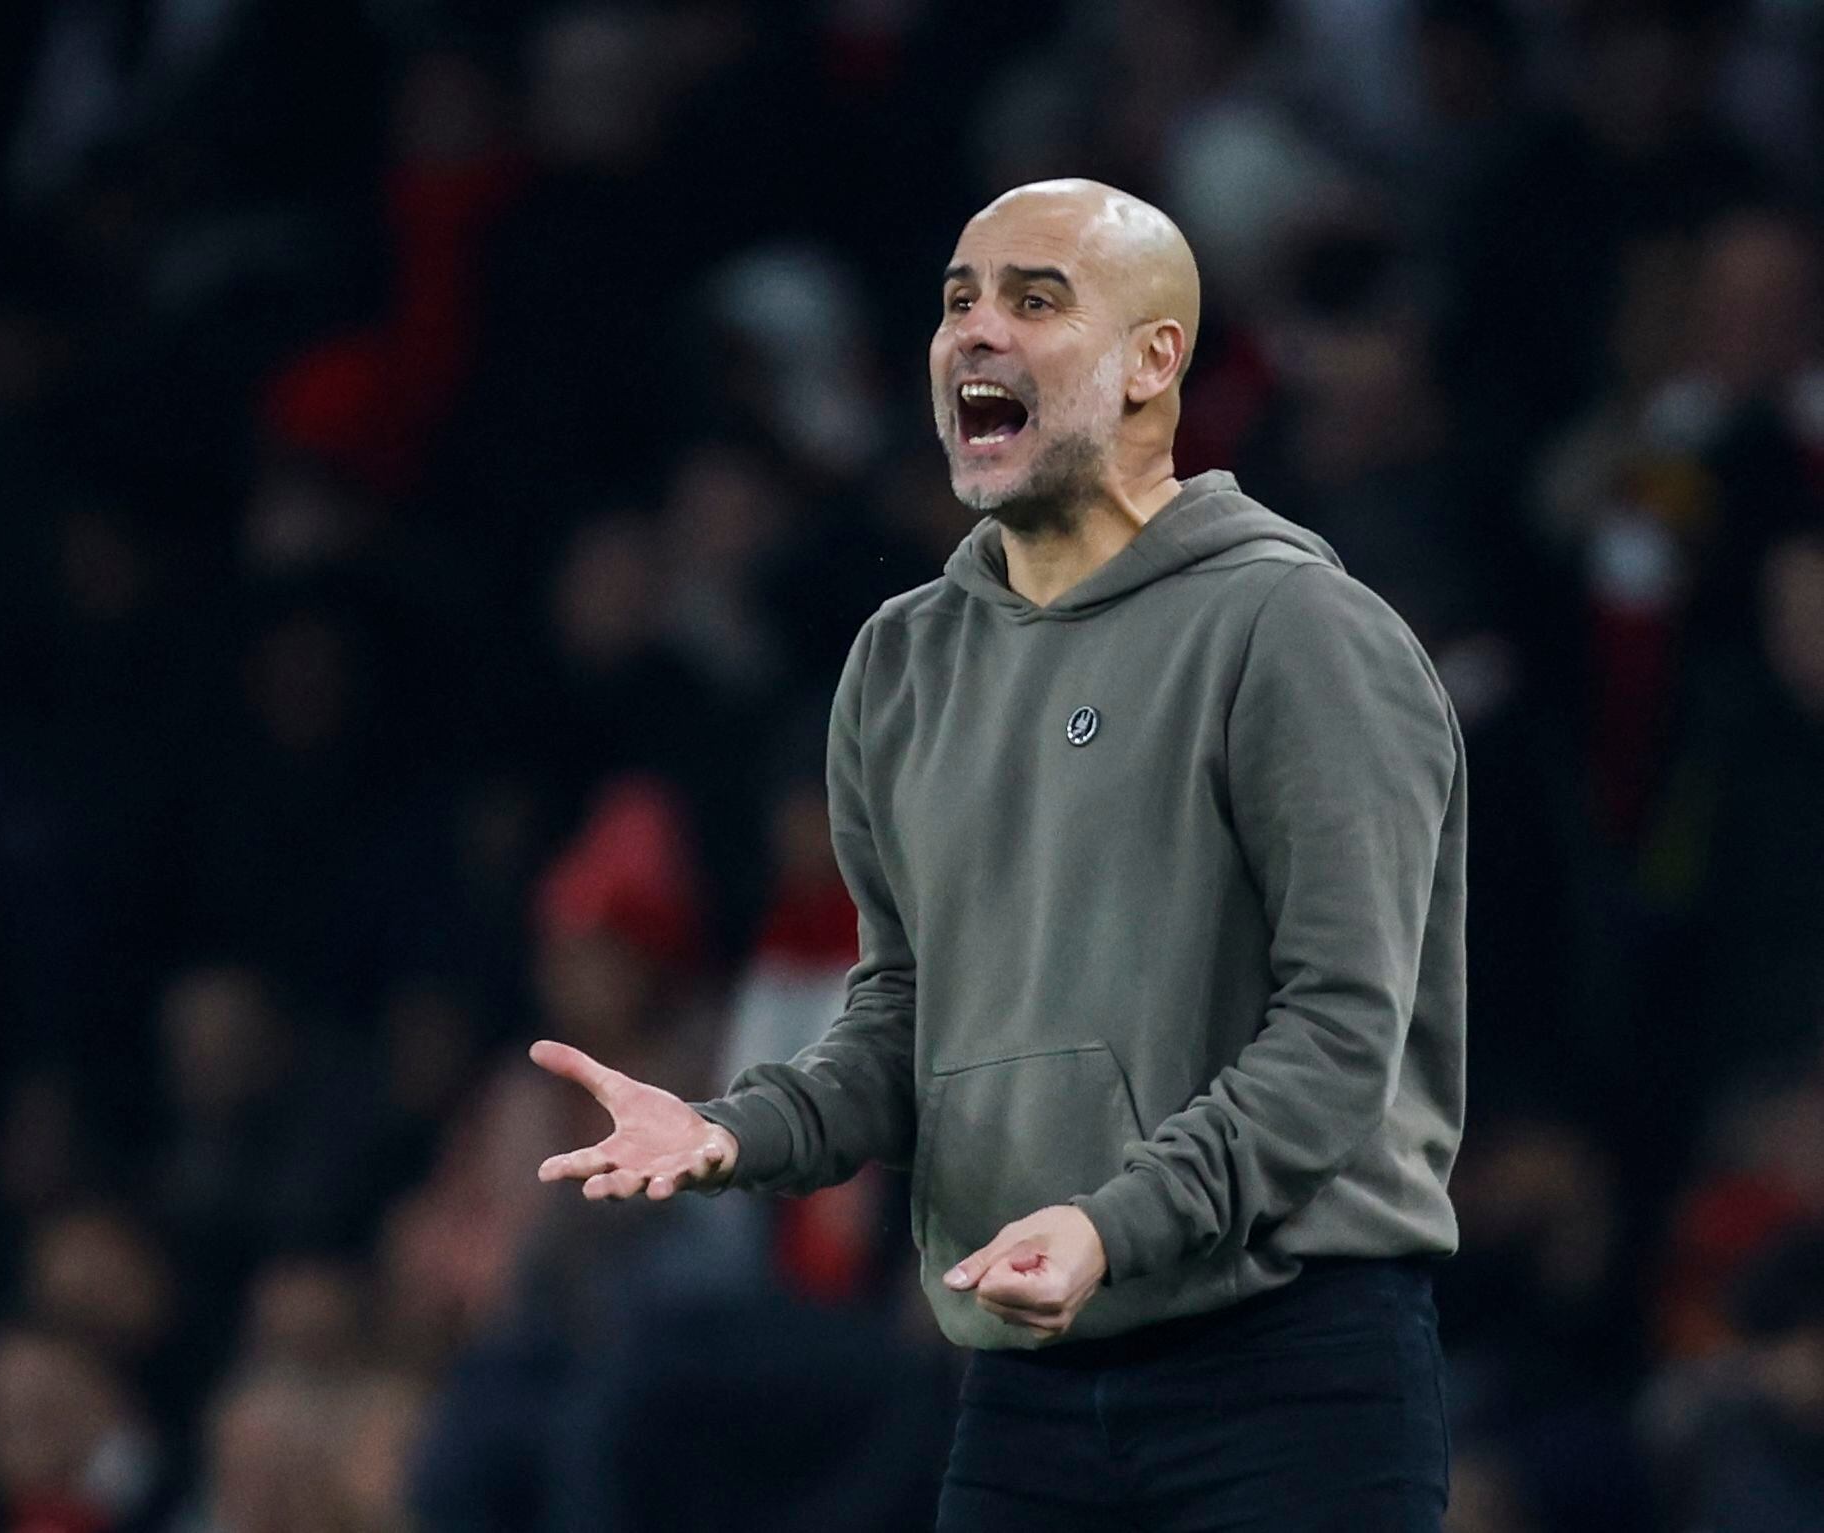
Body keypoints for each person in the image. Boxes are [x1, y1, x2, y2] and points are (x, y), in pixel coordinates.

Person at [532, 179, 1465, 1532]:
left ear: (1154, 361)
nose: (977, 332)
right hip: (1029, 1379)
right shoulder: (901, 662)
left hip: (1290, 1369)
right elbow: (907, 1014)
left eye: (1036, 299)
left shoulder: (1300, 630)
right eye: (959, 299)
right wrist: (737, 1128)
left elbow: (1338, 1036)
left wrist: (1113, 1220)